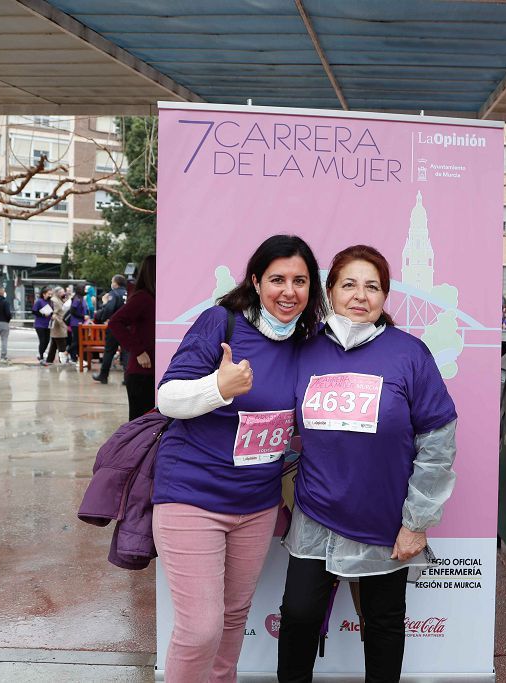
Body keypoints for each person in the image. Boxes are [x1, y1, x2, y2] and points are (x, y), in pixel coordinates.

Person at [277, 245, 457, 682]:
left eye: (372, 286)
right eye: (349, 284)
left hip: (385, 520)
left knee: (383, 623)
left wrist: (418, 520)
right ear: (331, 291)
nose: (360, 295)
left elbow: (438, 439)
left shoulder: (410, 354)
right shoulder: (303, 351)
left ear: (385, 296)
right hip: (316, 514)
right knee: (299, 617)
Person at [151, 235, 324, 682]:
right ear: (255, 281)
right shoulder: (221, 324)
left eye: (300, 281)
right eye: (278, 279)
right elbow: (168, 397)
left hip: (257, 503)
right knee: (200, 629)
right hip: (192, 495)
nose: (289, 291)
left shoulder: (306, 343)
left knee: (232, 619)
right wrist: (217, 388)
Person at [108, 255, 156, 420]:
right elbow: (115, 322)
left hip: (153, 371)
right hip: (142, 372)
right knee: (140, 427)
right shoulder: (143, 297)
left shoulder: (156, 298)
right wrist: (139, 351)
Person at [92, 275, 128, 383]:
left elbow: (109, 308)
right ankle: (127, 378)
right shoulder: (128, 293)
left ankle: (103, 375)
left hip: (115, 326)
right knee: (126, 352)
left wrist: (101, 316)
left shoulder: (114, 293)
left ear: (115, 283)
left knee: (109, 351)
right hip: (128, 326)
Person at [41, 287, 69, 366]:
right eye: (62, 292)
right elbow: (54, 313)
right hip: (58, 325)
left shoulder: (58, 300)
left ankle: (50, 360)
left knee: (54, 345)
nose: (64, 294)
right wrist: (60, 321)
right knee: (61, 344)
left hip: (58, 325)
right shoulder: (55, 301)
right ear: (58, 293)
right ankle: (62, 360)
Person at [67, 287, 90, 363]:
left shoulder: (82, 298)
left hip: (81, 323)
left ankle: (76, 357)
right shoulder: (77, 299)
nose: (86, 291)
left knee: (78, 341)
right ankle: (66, 352)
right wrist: (83, 316)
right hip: (76, 323)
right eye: (85, 289)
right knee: (76, 341)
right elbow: (72, 311)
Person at [32, 286, 54, 361]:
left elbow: (52, 311)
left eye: (51, 294)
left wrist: (52, 315)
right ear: (44, 294)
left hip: (47, 324)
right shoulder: (39, 301)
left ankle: (41, 352)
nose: (50, 296)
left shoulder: (51, 302)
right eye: (49, 294)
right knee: (42, 340)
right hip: (39, 324)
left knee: (47, 340)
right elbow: (34, 311)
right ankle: (41, 356)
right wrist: (43, 314)